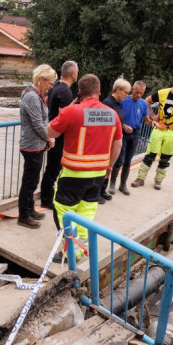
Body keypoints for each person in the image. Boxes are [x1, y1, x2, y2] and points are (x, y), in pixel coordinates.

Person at [47, 74, 122, 260]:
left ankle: (71, 251)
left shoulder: (73, 111)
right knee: (86, 212)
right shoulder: (112, 114)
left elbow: (51, 131)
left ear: (79, 92)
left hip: (74, 173)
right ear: (99, 92)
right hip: (98, 174)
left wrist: (69, 110)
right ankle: (81, 249)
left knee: (63, 211)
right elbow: (118, 144)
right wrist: (109, 167)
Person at [132, 76, 173, 190]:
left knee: (165, 158)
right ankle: (140, 178)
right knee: (150, 155)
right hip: (159, 129)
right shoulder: (162, 93)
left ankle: (158, 181)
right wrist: (152, 116)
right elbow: (147, 101)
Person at [17, 64, 56, 229]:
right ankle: (23, 215)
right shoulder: (32, 97)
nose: (51, 86)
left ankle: (30, 209)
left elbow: (41, 122)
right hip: (32, 145)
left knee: (33, 180)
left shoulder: (35, 94)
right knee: (30, 181)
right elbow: (38, 124)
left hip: (36, 144)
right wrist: (50, 138)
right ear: (41, 80)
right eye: (50, 83)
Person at [40, 61, 78, 210]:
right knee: (53, 168)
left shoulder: (56, 86)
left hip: (52, 131)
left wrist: (73, 104)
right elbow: (64, 117)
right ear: (73, 74)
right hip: (58, 135)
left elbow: (54, 107)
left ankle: (46, 196)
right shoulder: (66, 91)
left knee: (51, 168)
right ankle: (46, 199)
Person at [110, 80, 150, 196]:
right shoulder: (124, 100)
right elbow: (117, 116)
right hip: (123, 132)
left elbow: (146, 117)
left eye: (141, 93)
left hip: (135, 133)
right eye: (137, 92)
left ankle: (123, 185)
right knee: (119, 160)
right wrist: (123, 126)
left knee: (128, 161)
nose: (138, 95)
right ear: (132, 90)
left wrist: (151, 121)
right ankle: (112, 184)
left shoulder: (143, 103)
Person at [97, 78, 130, 203]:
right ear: (118, 90)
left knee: (111, 164)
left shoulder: (118, 103)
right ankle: (96, 192)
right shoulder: (107, 103)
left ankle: (103, 190)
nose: (127, 96)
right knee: (104, 166)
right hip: (107, 141)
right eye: (126, 93)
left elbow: (118, 120)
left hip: (115, 139)